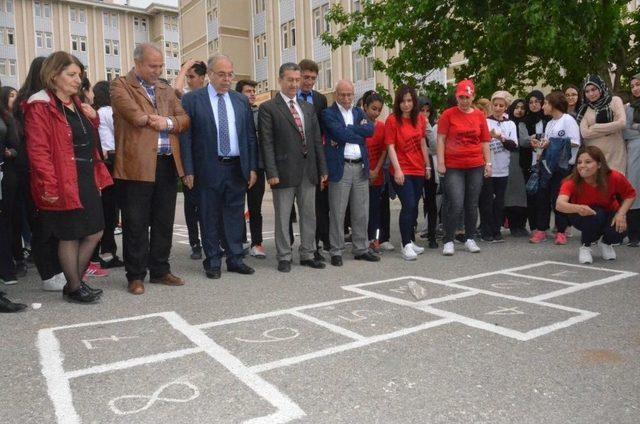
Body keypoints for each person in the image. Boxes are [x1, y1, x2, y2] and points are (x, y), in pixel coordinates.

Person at [24, 51, 113, 303]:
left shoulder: (77, 104)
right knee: (70, 233)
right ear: (54, 76)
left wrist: (93, 119)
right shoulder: (39, 105)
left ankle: (73, 282)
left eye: (80, 75)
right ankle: (74, 286)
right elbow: (38, 151)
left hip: (85, 175)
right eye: (71, 74)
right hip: (61, 178)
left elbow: (85, 138)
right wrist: (49, 185)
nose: (78, 80)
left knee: (95, 231)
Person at [110, 43, 190, 295]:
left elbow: (184, 119)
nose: (157, 71)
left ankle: (160, 270)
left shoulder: (166, 89)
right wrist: (162, 121)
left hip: (166, 163)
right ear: (138, 63)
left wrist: (166, 121)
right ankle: (135, 275)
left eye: (160, 66)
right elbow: (134, 115)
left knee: (163, 221)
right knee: (136, 223)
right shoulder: (120, 85)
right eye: (152, 66)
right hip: (136, 165)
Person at [181, 54, 257, 279]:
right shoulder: (193, 100)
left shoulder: (240, 100)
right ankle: (213, 260)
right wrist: (188, 170)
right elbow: (186, 138)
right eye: (222, 74)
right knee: (209, 215)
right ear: (210, 75)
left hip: (236, 167)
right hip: (208, 167)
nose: (227, 79)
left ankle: (235, 258)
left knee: (234, 215)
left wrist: (252, 167)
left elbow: (250, 138)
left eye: (230, 75)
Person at [259, 62, 328, 272]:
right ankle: (284, 256)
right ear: (280, 80)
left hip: (308, 172)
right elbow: (266, 143)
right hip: (283, 172)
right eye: (290, 80)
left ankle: (307, 253)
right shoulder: (268, 108)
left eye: (297, 80)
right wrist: (271, 172)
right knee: (283, 217)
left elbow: (316, 140)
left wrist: (322, 169)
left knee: (309, 215)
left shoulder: (307, 108)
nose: (294, 84)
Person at [15, 57, 65, 291]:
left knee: (53, 223)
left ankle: (56, 269)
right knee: (43, 223)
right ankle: (48, 273)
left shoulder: (51, 100)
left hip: (42, 166)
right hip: (35, 168)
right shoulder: (33, 102)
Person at [322, 80, 377, 266]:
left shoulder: (358, 112)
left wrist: (351, 130)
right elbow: (340, 134)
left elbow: (369, 130)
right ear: (335, 94)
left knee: (361, 211)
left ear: (354, 95)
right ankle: (336, 250)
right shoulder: (328, 114)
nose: (346, 98)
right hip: (341, 167)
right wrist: (356, 133)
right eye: (342, 94)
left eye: (349, 94)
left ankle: (361, 248)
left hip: (360, 167)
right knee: (337, 212)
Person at [437, 79, 490, 256]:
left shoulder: (479, 116)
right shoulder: (448, 115)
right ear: (456, 96)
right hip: (454, 165)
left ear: (472, 96)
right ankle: (448, 239)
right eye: (461, 97)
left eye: (467, 97)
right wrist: (441, 162)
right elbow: (441, 139)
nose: (464, 100)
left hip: (475, 164)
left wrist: (488, 163)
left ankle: (470, 238)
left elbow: (484, 141)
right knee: (456, 202)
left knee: (472, 203)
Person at [556, 146, 636, 264]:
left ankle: (606, 243)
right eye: (579, 162)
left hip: (609, 212)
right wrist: (579, 208)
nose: (582, 166)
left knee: (621, 227)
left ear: (599, 165)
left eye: (588, 162)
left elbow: (630, 195)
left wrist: (621, 214)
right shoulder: (571, 181)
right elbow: (559, 204)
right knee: (595, 214)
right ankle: (585, 246)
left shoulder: (614, 177)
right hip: (582, 215)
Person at [529, 91, 581, 245]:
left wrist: (553, 143)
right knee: (543, 198)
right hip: (547, 166)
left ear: (553, 105)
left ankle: (561, 230)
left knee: (559, 199)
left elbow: (576, 142)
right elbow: (546, 143)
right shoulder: (550, 123)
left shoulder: (568, 120)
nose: (543, 106)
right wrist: (539, 145)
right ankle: (541, 229)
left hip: (562, 167)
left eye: (545, 103)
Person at [386, 85, 430, 261]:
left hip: (418, 168)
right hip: (401, 169)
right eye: (403, 101)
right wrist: (397, 169)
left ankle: (411, 241)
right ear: (398, 103)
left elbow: (422, 143)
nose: (406, 104)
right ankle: (405, 245)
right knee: (409, 205)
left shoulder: (419, 119)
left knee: (414, 208)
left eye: (409, 100)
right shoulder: (392, 120)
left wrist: (427, 166)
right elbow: (390, 146)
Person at [173, 60, 206, 259]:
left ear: (203, 78)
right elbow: (176, 89)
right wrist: (186, 169)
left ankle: (212, 239)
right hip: (189, 160)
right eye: (187, 76)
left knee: (208, 205)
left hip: (207, 161)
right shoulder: (186, 97)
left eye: (192, 76)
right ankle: (195, 242)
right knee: (191, 204)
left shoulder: (210, 97)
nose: (189, 80)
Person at [298, 59, 330, 261]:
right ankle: (298, 245)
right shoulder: (291, 98)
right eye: (306, 77)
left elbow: (323, 130)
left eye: (313, 78)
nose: (309, 82)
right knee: (297, 206)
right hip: (295, 159)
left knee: (318, 206)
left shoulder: (320, 100)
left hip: (315, 159)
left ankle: (315, 245)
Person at [479, 91, 517, 242]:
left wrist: (500, 137)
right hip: (488, 168)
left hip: (503, 168)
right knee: (486, 201)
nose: (498, 108)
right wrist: (489, 136)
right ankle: (486, 230)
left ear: (506, 107)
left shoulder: (510, 124)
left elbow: (513, 146)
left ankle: (496, 230)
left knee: (499, 202)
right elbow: (480, 142)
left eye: (501, 105)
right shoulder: (485, 122)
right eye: (495, 105)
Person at [91, 80, 123, 269]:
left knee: (104, 210)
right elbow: (119, 135)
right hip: (112, 162)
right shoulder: (109, 112)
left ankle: (101, 252)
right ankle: (108, 252)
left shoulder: (96, 113)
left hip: (102, 162)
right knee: (111, 212)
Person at [236, 78, 266, 258]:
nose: (253, 94)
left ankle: (257, 243)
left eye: (254, 91)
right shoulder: (234, 113)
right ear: (239, 94)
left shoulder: (260, 113)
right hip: (237, 166)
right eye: (248, 91)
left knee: (255, 208)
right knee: (237, 207)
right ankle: (239, 241)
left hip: (258, 166)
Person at [577, 74, 627, 174]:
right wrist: (612, 126)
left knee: (616, 185)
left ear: (601, 87)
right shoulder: (584, 109)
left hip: (616, 154)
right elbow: (585, 134)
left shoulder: (615, 100)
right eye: (587, 91)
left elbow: (622, 123)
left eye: (594, 89)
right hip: (594, 158)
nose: (591, 94)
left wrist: (595, 127)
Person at [1, 85, 26, 278]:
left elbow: (19, 145)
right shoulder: (5, 119)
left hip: (17, 172)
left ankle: (17, 257)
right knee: (7, 217)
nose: (14, 99)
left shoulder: (15, 119)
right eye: (10, 96)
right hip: (7, 172)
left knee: (16, 217)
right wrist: (9, 152)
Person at [519, 90, 549, 242]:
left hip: (546, 163)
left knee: (545, 196)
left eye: (537, 101)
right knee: (532, 196)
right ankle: (535, 227)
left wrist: (537, 138)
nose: (534, 105)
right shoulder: (524, 121)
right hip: (529, 164)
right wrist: (534, 138)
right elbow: (523, 140)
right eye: (530, 102)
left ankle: (544, 227)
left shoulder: (549, 119)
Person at [361, 91, 387, 252]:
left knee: (375, 210)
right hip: (360, 174)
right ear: (365, 107)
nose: (376, 113)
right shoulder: (358, 125)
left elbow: (384, 151)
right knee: (360, 210)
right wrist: (366, 170)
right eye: (373, 109)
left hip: (376, 176)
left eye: (379, 110)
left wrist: (376, 170)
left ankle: (374, 239)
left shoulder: (382, 127)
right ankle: (361, 239)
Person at [504, 98, 529, 236]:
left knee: (524, 195)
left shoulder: (527, 122)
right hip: (512, 160)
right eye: (517, 107)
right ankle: (514, 225)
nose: (520, 110)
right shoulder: (508, 123)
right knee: (512, 194)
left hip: (526, 161)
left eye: (523, 107)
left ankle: (522, 225)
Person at [418, 96, 439, 248]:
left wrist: (427, 127)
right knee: (411, 202)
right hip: (413, 163)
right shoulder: (411, 123)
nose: (425, 114)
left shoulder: (430, 126)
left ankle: (432, 235)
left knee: (431, 201)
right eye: (422, 111)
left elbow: (434, 147)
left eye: (427, 111)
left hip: (429, 163)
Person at [623, 72, 640, 247]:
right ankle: (634, 235)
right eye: (632, 86)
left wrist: (636, 126)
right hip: (634, 149)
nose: (635, 88)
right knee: (634, 189)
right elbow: (625, 130)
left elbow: (632, 127)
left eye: (638, 84)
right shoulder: (629, 108)